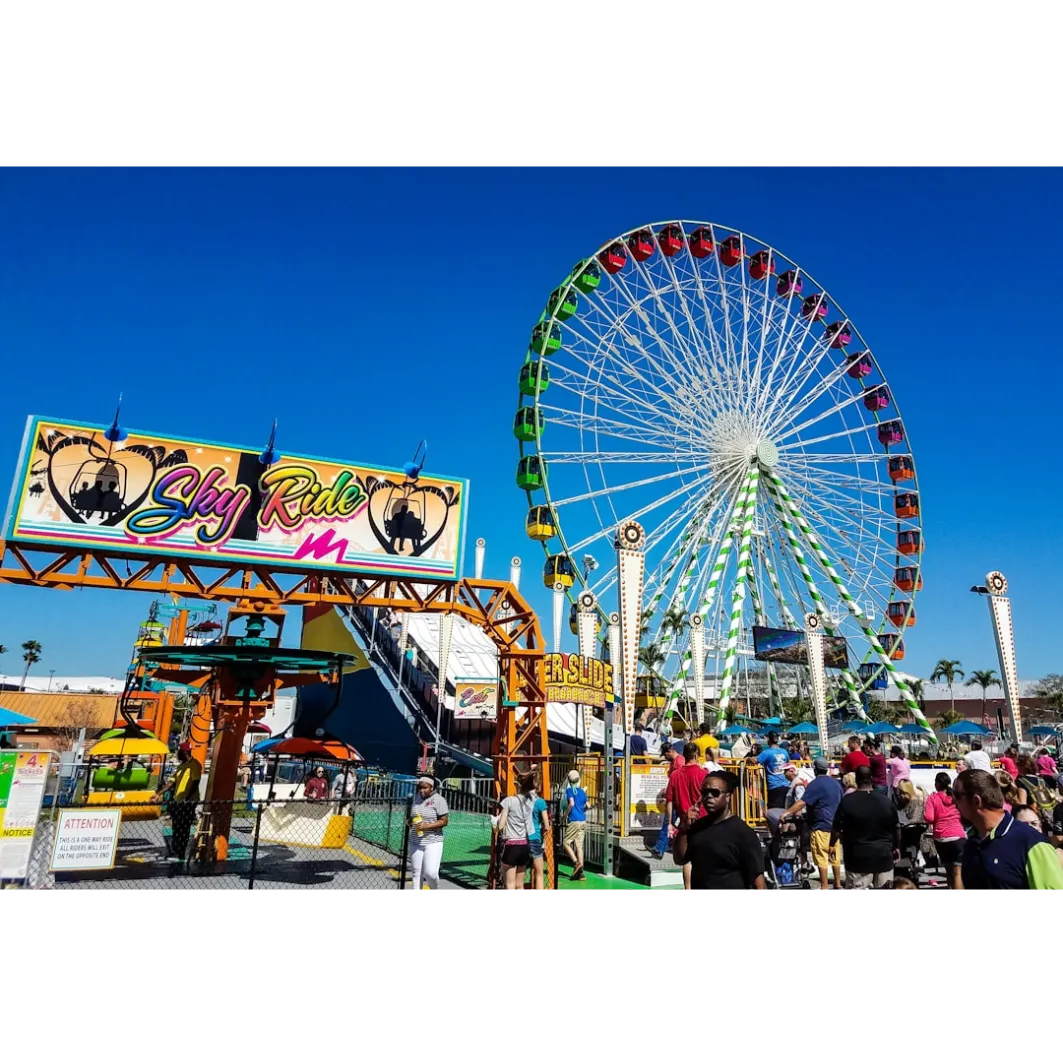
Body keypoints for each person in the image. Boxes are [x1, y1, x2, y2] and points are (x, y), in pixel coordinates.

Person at [955, 769, 1063, 894]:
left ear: (976, 801)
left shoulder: (1031, 843)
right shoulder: (972, 842)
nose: (953, 802)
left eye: (957, 796)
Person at [677, 770, 767, 897]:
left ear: (728, 797)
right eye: (704, 793)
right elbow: (680, 859)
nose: (709, 797)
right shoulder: (697, 827)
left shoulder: (742, 833)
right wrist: (683, 828)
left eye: (715, 793)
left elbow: (759, 884)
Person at [831, 764, 900, 890]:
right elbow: (896, 827)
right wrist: (896, 847)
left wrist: (831, 845)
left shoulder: (847, 802)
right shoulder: (886, 802)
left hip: (857, 858)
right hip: (883, 856)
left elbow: (836, 828)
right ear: (872, 778)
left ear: (856, 779)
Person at [780, 757, 843, 890]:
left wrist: (786, 813)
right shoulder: (836, 783)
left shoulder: (816, 784)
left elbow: (803, 802)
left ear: (815, 769)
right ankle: (837, 884)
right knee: (835, 856)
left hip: (820, 825)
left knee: (821, 857)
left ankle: (824, 886)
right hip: (835, 827)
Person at [668, 742, 708, 889]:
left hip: (685, 822)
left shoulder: (675, 775)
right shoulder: (703, 774)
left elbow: (669, 801)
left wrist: (670, 822)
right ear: (696, 755)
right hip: (703, 820)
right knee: (703, 855)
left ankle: (688, 889)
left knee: (687, 859)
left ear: (684, 756)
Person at [154, 741, 202, 861]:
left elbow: (195, 783)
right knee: (177, 825)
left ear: (184, 752)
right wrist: (158, 794)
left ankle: (181, 850)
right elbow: (171, 782)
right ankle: (176, 848)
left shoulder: (195, 765)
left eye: (179, 752)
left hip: (188, 801)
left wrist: (187, 799)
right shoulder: (181, 766)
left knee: (184, 826)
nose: (177, 754)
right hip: (178, 800)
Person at [923, 771, 966, 890]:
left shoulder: (933, 798)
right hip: (957, 836)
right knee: (958, 873)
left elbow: (929, 817)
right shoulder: (956, 797)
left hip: (941, 838)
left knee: (948, 871)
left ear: (937, 784)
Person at [497, 772, 537, 889]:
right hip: (524, 845)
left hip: (511, 845)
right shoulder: (530, 803)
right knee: (520, 885)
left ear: (518, 786)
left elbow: (501, 825)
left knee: (510, 885)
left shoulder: (509, 801)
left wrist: (496, 824)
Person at [408, 776, 448, 892]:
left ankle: (435, 891)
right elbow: (412, 817)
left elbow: (444, 821)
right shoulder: (417, 798)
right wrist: (410, 822)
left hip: (433, 841)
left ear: (432, 787)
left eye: (425, 788)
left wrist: (426, 826)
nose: (421, 790)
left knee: (430, 873)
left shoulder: (439, 800)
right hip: (416, 840)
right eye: (420, 788)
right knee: (416, 874)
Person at [652, 742, 684, 859]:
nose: (665, 758)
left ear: (669, 751)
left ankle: (660, 848)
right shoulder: (675, 762)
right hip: (675, 797)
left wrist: (670, 791)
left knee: (668, 823)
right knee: (673, 824)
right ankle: (665, 846)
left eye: (665, 755)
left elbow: (680, 780)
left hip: (676, 798)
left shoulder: (679, 761)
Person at [1012, 805, 1063, 871]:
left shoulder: (1056, 853)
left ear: (1040, 827)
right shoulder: (1013, 859)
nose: (1030, 828)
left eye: (1034, 823)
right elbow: (1059, 837)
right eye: (1024, 824)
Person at [526, 775, 551, 890]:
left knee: (519, 872)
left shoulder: (521, 800)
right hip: (535, 838)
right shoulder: (540, 802)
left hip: (521, 838)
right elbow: (547, 825)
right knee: (539, 873)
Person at [562, 769, 588, 880]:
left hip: (574, 820)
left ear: (569, 780)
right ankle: (581, 873)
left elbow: (571, 803)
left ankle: (576, 863)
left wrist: (564, 816)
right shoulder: (582, 791)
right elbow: (588, 805)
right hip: (583, 820)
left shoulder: (569, 790)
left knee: (566, 843)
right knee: (579, 845)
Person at [756, 731, 791, 810]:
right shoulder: (784, 752)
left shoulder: (767, 752)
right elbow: (789, 764)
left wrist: (748, 758)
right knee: (785, 810)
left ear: (769, 740)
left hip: (774, 786)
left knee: (774, 812)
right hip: (786, 785)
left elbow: (755, 760)